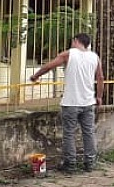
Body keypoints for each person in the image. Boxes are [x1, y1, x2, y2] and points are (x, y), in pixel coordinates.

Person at [29, 33, 105, 172]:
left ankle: (70, 164)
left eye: (72, 41)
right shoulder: (95, 57)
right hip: (88, 102)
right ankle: (90, 163)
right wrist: (99, 96)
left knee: (69, 133)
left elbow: (49, 66)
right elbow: (100, 78)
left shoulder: (69, 54)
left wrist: (35, 76)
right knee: (88, 132)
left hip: (71, 102)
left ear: (76, 41)